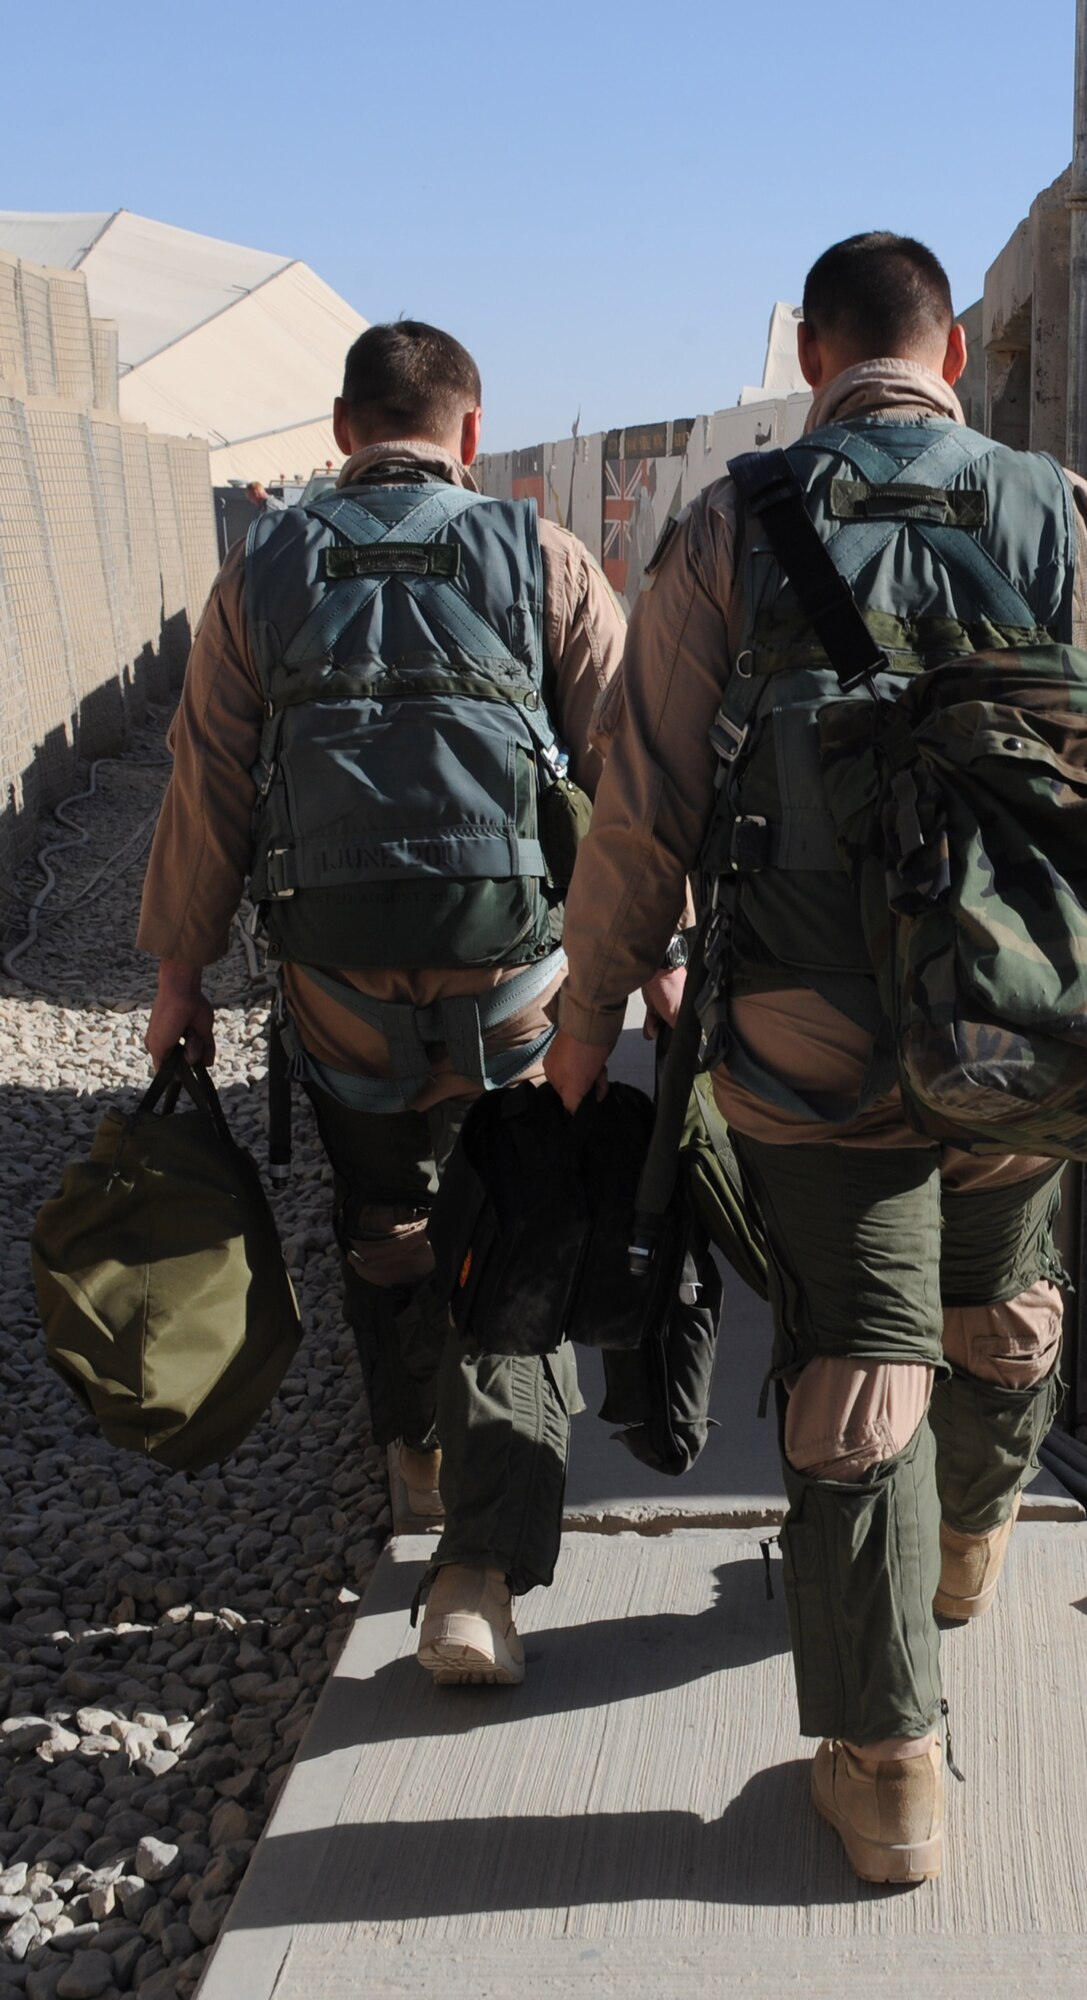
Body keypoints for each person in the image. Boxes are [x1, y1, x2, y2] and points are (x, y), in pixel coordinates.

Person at [545, 231, 1087, 1885]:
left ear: (813, 358)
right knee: (1005, 1300)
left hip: (806, 1026)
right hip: (1018, 1013)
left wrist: (589, 1019)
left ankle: (887, 1766)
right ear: (952, 354)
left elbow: (643, 809)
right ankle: (968, 1541)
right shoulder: (1078, 519)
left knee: (857, 1361)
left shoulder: (729, 527)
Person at [138, 319, 637, 1681]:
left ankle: (414, 1451)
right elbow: (632, 773)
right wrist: (660, 962)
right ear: (471, 432)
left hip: (339, 985)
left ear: (343, 431)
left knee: (391, 1219)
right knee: (516, 1230)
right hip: (515, 980)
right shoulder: (543, 557)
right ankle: (475, 1577)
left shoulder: (261, 569)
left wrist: (180, 979)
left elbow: (207, 782)